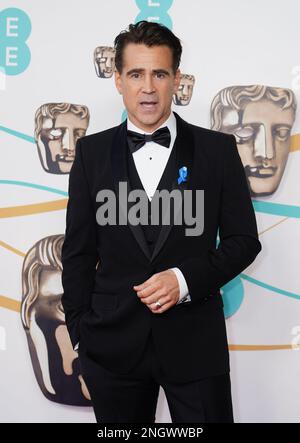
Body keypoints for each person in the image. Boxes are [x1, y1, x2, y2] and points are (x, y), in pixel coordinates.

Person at [61, 20, 262, 423]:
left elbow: (244, 240)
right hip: (112, 348)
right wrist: (82, 332)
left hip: (195, 344)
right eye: (136, 74)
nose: (148, 87)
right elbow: (78, 253)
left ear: (177, 80)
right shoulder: (90, 154)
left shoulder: (217, 151)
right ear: (118, 80)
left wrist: (184, 280)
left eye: (159, 73)